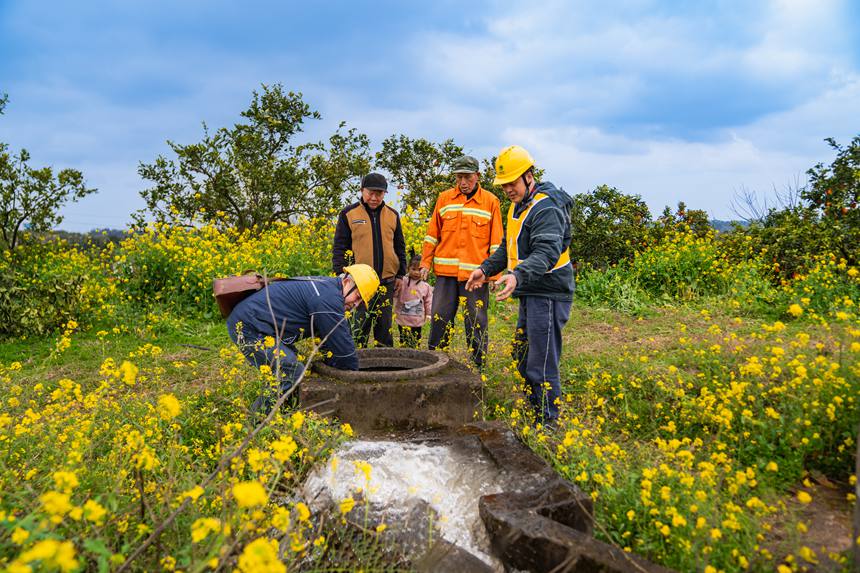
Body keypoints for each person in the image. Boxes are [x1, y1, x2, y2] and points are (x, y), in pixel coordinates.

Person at [465, 145, 574, 428]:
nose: (508, 190)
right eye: (504, 185)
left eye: (512, 183)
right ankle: (534, 408)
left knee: (541, 360)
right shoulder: (519, 205)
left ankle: (548, 422)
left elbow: (546, 252)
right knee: (522, 354)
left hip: (548, 293)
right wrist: (484, 269)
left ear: (529, 176)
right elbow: (508, 247)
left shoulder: (546, 208)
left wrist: (516, 276)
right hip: (531, 290)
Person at [226, 264, 379, 415]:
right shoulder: (328, 299)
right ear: (346, 282)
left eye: (361, 302)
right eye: (357, 296)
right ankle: (258, 419)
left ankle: (287, 413)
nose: (356, 304)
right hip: (249, 326)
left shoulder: (328, 290)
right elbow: (343, 348)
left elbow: (328, 337)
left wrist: (330, 361)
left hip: (261, 326)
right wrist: (356, 382)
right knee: (291, 370)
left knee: (296, 367)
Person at [420, 155, 503, 368]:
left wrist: (494, 274)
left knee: (476, 320)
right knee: (439, 317)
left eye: (467, 177)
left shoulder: (491, 201)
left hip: (475, 276)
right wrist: (425, 263)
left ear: (477, 176)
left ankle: (478, 366)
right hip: (445, 275)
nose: (463, 182)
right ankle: (436, 363)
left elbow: (496, 242)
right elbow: (432, 234)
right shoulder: (444, 199)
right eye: (459, 177)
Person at [333, 172, 407, 348]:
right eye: (370, 193)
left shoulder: (392, 215)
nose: (374, 198)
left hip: (386, 282)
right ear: (362, 191)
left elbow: (399, 246)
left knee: (384, 330)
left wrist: (400, 275)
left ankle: (385, 362)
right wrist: (341, 275)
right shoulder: (348, 214)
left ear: (384, 194)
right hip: (359, 284)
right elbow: (340, 247)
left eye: (379, 193)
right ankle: (356, 361)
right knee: (358, 328)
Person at [394, 254, 433, 348]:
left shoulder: (425, 286)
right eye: (413, 269)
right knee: (403, 340)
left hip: (417, 320)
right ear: (408, 268)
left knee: (416, 340)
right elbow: (395, 292)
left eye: (419, 270)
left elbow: (428, 301)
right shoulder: (402, 281)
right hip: (403, 318)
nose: (416, 272)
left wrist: (429, 313)